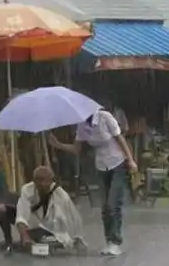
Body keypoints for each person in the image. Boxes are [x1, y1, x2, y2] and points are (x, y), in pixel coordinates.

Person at [48, 106, 137, 256]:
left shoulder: (105, 117)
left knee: (113, 204)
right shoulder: (82, 126)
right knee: (105, 207)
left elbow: (120, 139)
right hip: (101, 166)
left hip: (118, 163)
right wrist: (58, 145)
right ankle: (109, 241)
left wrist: (131, 160)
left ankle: (115, 242)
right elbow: (77, 149)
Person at [0, 165, 86, 255]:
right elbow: (21, 216)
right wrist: (25, 236)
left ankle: (28, 244)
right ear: (34, 181)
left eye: (45, 181)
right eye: (39, 181)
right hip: (32, 222)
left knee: (50, 243)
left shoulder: (60, 194)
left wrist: (78, 239)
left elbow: (73, 218)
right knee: (1, 210)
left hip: (49, 229)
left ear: (51, 181)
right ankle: (9, 243)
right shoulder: (27, 190)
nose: (42, 184)